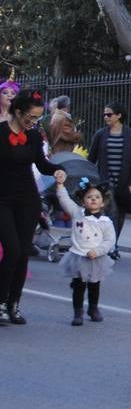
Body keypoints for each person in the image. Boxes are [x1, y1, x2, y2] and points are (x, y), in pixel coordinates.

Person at [0, 89, 67, 324]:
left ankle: (13, 304)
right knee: (12, 250)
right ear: (18, 112)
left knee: (22, 255)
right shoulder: (0, 132)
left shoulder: (35, 136)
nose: (34, 122)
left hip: (27, 200)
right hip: (3, 200)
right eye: (31, 117)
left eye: (38, 118)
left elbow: (42, 163)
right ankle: (0, 300)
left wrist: (58, 170)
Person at [55, 176, 117, 326]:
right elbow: (65, 201)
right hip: (78, 256)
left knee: (94, 285)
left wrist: (99, 250)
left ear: (102, 202)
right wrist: (60, 186)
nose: (93, 199)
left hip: (96, 257)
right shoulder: (77, 213)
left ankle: (93, 308)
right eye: (89, 197)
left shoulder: (105, 222)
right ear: (83, 201)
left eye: (97, 197)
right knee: (79, 286)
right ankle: (78, 312)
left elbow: (110, 241)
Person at [86, 102, 131, 248]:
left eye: (109, 114)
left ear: (119, 116)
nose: (106, 117)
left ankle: (113, 244)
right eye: (104, 114)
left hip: (123, 183)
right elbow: (91, 159)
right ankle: (107, 246)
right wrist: (89, 179)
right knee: (108, 214)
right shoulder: (100, 134)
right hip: (105, 182)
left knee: (120, 214)